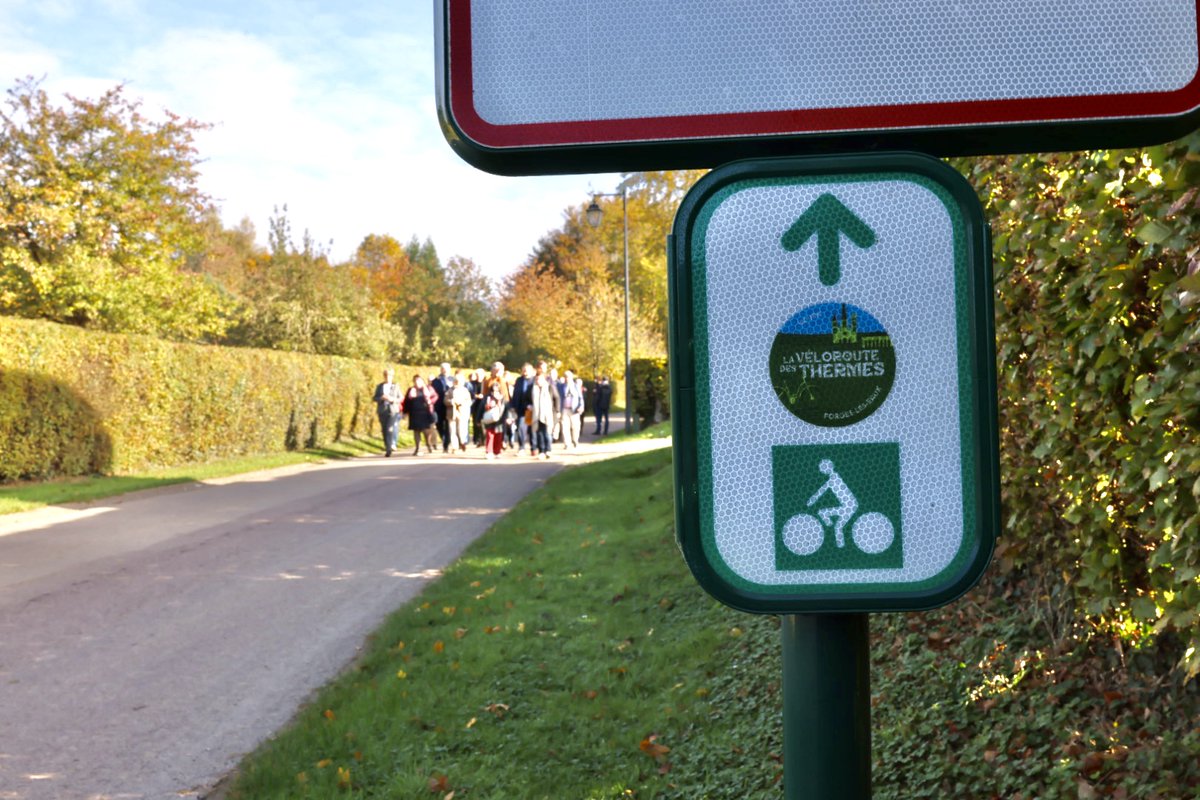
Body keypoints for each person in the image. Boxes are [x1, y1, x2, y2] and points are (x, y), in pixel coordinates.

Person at [401, 374, 438, 456]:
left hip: (425, 412)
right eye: (415, 381)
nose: (417, 382)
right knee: (416, 431)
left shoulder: (427, 389)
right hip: (414, 413)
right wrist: (405, 412)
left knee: (426, 431)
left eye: (419, 381)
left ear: (422, 381)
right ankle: (418, 448)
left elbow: (435, 396)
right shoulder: (411, 390)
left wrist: (430, 401)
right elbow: (406, 402)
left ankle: (428, 444)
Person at [529, 370, 560, 459]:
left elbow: (557, 398)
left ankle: (548, 449)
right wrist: (529, 405)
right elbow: (528, 399)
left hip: (548, 414)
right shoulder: (533, 388)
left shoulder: (550, 387)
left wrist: (557, 411)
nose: (538, 381)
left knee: (547, 433)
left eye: (539, 379)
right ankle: (541, 450)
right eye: (536, 379)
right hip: (537, 414)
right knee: (539, 433)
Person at [372, 368, 400, 457]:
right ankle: (387, 446)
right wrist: (381, 398)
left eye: (390, 375)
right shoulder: (380, 386)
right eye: (386, 375)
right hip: (382, 410)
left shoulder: (396, 386)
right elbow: (374, 398)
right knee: (384, 429)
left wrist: (393, 399)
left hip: (393, 410)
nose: (388, 377)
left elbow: (400, 398)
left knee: (389, 428)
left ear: (392, 376)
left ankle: (389, 448)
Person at [510, 363, 536, 456]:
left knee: (531, 430)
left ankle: (534, 447)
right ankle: (521, 448)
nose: (525, 372)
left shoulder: (534, 380)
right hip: (520, 409)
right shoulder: (519, 380)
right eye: (523, 370)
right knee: (521, 428)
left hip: (531, 409)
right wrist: (513, 406)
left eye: (527, 370)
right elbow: (515, 394)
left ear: (531, 371)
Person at [430, 362, 454, 453]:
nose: (444, 370)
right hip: (439, 405)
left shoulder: (453, 379)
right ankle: (444, 437)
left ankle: (446, 444)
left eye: (446, 368)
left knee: (448, 425)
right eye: (443, 368)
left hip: (450, 406)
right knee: (439, 424)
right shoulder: (436, 381)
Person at [448, 371, 473, 453]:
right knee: (452, 430)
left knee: (461, 430)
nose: (457, 383)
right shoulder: (450, 390)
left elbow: (469, 401)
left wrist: (463, 405)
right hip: (452, 413)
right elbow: (445, 400)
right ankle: (454, 446)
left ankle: (462, 442)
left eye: (458, 381)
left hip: (462, 413)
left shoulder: (465, 390)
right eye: (455, 381)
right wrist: (450, 402)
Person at [481, 380, 507, 459]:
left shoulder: (502, 398)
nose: (495, 390)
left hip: (499, 419)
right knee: (490, 435)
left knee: (498, 436)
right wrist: (479, 418)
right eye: (493, 388)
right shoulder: (487, 397)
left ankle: (497, 451)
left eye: (497, 388)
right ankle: (489, 451)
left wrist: (507, 417)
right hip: (490, 418)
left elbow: (506, 408)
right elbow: (481, 407)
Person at [560, 369, 584, 450]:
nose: (567, 379)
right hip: (564, 409)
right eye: (565, 377)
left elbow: (581, 398)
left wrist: (581, 406)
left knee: (575, 426)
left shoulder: (576, 386)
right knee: (565, 427)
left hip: (574, 409)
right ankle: (567, 443)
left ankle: (575, 440)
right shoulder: (561, 386)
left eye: (568, 377)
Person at [468, 368, 487, 447]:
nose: (478, 376)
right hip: (475, 404)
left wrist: (483, 396)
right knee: (476, 422)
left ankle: (484, 439)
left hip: (484, 404)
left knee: (484, 422)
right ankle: (477, 439)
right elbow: (470, 392)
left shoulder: (485, 383)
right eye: (477, 375)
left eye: (480, 375)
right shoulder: (472, 383)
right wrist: (476, 396)